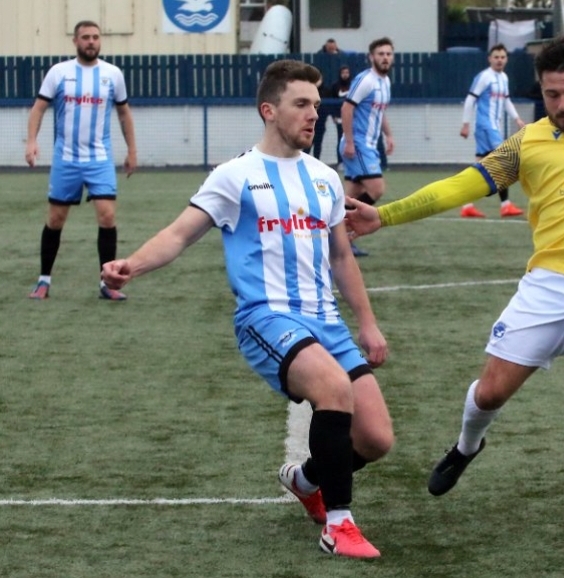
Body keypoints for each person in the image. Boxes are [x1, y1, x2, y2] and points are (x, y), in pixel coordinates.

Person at [345, 36, 564, 540]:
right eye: (552, 95)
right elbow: (461, 185)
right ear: (540, 93)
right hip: (548, 287)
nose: (563, 105)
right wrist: (385, 215)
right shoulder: (527, 144)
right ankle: (465, 447)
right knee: (491, 392)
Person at [100, 60, 392, 559]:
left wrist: (367, 324)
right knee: (332, 388)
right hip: (267, 317)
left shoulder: (323, 177)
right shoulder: (235, 176)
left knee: (375, 439)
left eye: (316, 106)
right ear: (268, 110)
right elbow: (178, 234)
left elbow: (342, 257)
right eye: (300, 104)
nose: (312, 116)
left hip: (326, 321)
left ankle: (304, 479)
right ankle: (338, 526)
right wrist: (133, 264)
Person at [24, 20, 137, 301]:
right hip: (66, 160)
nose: (91, 41)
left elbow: (124, 113)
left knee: (108, 217)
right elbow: (38, 109)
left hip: (99, 159)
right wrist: (32, 141)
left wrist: (132, 150)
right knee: (55, 220)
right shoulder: (59, 73)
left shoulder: (112, 74)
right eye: (85, 37)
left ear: (100, 41)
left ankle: (107, 284)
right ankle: (43, 281)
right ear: (75, 41)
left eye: (95, 37)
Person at [340, 37, 395, 257]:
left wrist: (389, 135)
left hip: (369, 145)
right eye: (380, 54)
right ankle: (343, 232)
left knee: (351, 197)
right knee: (376, 188)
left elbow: (379, 113)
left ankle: (332, 234)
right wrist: (351, 141)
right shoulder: (366, 80)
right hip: (359, 144)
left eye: (388, 54)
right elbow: (346, 108)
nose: (385, 58)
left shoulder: (385, 82)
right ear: (371, 57)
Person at [458, 44, 527, 219]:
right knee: (504, 161)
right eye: (496, 57)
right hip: (486, 126)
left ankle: (467, 205)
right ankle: (505, 205)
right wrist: (465, 124)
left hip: (493, 126)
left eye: (502, 57)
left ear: (506, 59)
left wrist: (517, 118)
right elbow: (469, 99)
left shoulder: (504, 77)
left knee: (480, 166)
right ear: (490, 59)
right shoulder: (484, 77)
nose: (499, 60)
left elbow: (506, 101)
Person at [329, 65, 352, 166]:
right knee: (341, 139)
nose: (345, 75)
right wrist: (334, 116)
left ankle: (351, 161)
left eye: (347, 73)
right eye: (343, 73)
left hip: (352, 117)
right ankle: (341, 161)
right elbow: (331, 102)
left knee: (352, 139)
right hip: (339, 117)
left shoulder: (353, 85)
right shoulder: (335, 86)